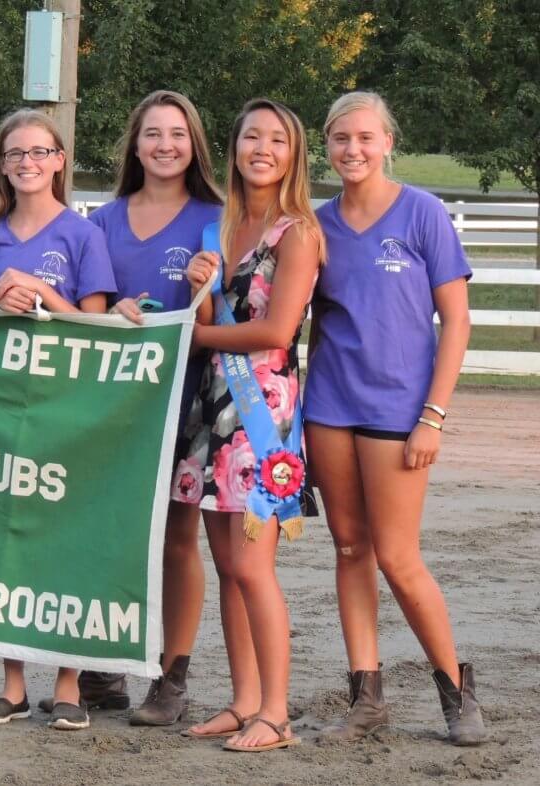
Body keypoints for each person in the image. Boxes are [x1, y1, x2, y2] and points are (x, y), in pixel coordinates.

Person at [303, 91, 484, 746]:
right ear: (326, 145)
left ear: (388, 142)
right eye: (340, 138)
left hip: (398, 411)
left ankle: (455, 691)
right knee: (349, 547)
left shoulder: (423, 214)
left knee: (399, 558)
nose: (352, 149)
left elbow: (457, 321)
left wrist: (432, 415)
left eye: (365, 137)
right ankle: (366, 698)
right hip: (328, 409)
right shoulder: (315, 225)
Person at [47, 90, 222, 725]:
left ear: (194, 143)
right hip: (114, 402)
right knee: (106, 530)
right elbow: (85, 307)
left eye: (177, 133)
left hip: (188, 398)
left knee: (178, 537)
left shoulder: (215, 219)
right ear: (135, 144)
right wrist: (113, 309)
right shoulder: (101, 221)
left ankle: (172, 677)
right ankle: (102, 668)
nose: (165, 145)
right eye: (153, 133)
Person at [0, 109, 116, 731]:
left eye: (38, 151)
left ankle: (69, 683)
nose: (25, 162)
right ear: (0, 163)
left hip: (63, 408)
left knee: (62, 541)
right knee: (7, 540)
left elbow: (96, 326)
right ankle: (13, 684)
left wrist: (47, 297)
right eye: (13, 153)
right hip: (0, 403)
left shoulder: (82, 234)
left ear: (58, 161)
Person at [171, 98, 323, 751]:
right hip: (210, 406)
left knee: (256, 568)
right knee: (228, 564)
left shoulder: (299, 233)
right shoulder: (220, 226)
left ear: (293, 155)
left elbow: (275, 329)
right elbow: (202, 313)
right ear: (233, 147)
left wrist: (196, 332)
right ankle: (244, 700)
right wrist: (192, 285)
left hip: (262, 414)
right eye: (251, 136)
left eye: (277, 140)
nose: (262, 148)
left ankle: (278, 713)